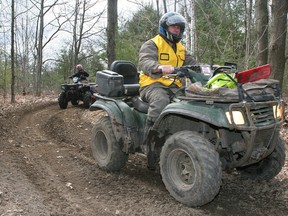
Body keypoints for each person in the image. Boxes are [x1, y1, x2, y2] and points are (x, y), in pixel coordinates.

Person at [138, 12, 197, 141]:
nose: (177, 30)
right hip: (152, 85)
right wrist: (159, 67)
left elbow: (194, 65)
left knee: (195, 101)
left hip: (175, 87)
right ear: (165, 28)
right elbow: (144, 61)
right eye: (174, 27)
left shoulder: (181, 49)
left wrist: (209, 68)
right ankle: (150, 139)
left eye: (179, 28)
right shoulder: (152, 44)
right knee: (160, 101)